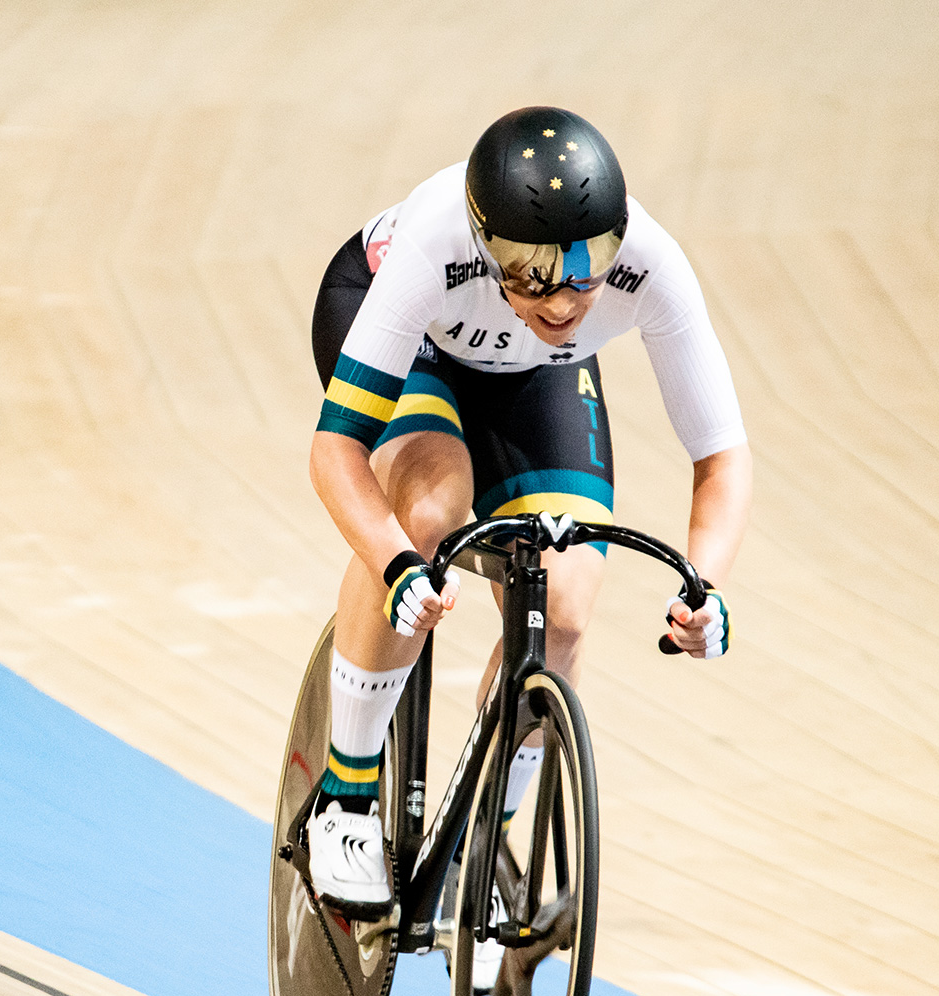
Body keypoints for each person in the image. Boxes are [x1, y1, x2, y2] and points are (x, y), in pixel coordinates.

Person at [303, 106, 752, 930]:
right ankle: (345, 796)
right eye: (533, 276)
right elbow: (335, 453)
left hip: (532, 373)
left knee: (570, 609)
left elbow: (722, 456)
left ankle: (486, 840)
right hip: (413, 335)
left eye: (586, 276)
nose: (563, 299)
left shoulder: (648, 265)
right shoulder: (436, 240)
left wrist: (707, 586)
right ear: (485, 244)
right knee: (434, 503)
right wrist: (398, 561)